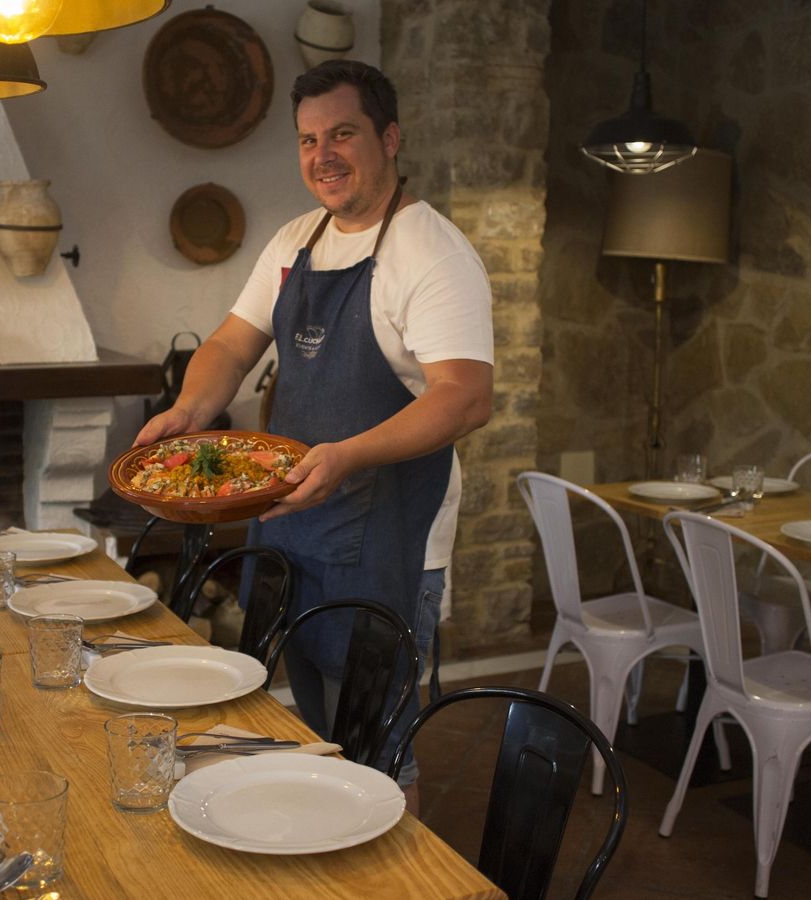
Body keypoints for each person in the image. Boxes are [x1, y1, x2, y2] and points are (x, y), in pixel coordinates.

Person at [134, 60, 493, 801]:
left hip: (387, 538)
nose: (321, 155)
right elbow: (232, 343)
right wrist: (192, 410)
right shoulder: (297, 241)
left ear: (389, 139)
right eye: (306, 140)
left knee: (381, 748)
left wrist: (349, 455)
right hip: (293, 523)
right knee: (312, 732)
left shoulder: (432, 252)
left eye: (342, 134)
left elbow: (465, 397)